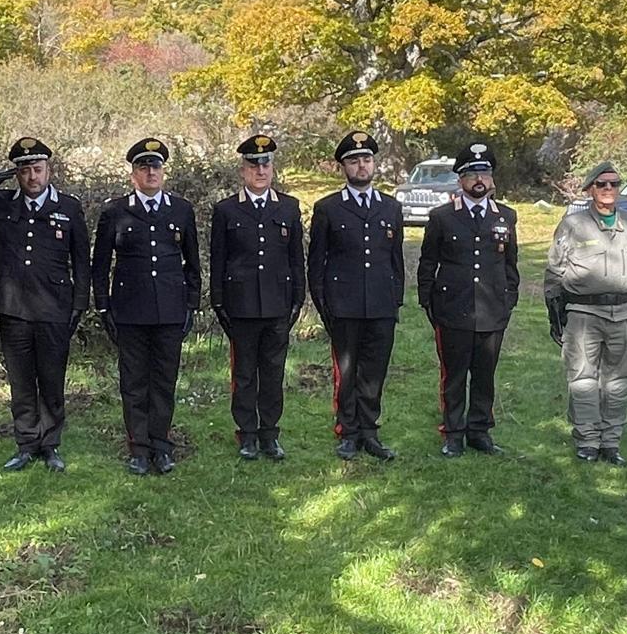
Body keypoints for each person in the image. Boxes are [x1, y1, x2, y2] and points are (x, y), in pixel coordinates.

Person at [0, 138, 90, 472]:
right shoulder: (1, 203)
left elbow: (81, 259)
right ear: (17, 175)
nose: (32, 177)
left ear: (49, 170)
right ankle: (26, 444)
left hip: (55, 306)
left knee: (52, 379)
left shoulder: (68, 207)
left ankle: (50, 444)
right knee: (21, 380)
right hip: (13, 307)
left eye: (38, 169)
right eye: (24, 171)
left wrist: (79, 303)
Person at [92, 138, 201, 476]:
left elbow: (192, 262)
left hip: (169, 309)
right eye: (143, 167)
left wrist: (191, 305)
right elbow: (100, 264)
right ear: (133, 175)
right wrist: (103, 307)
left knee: (164, 380)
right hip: (130, 310)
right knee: (134, 382)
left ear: (163, 172)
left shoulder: (181, 210)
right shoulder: (115, 211)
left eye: (156, 166)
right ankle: (138, 448)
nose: (151, 172)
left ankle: (162, 446)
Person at [417, 141, 519, 457]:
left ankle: (479, 431)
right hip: (453, 309)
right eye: (472, 173)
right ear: (460, 180)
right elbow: (427, 263)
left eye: (485, 173)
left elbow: (511, 265)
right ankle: (452, 432)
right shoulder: (442, 217)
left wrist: (509, 299)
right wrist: (428, 302)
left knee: (485, 374)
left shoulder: (506, 216)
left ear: (492, 179)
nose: (479, 179)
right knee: (454, 375)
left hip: (492, 309)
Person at [308, 129, 404, 461]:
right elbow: (316, 263)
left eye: (366, 159)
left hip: (380, 304)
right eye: (353, 161)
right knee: (346, 371)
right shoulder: (328, 208)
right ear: (343, 168)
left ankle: (370, 431)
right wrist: (325, 305)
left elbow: (395, 261)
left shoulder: (391, 208)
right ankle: (347, 431)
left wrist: (395, 301)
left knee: (375, 370)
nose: (361, 166)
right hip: (343, 305)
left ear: (373, 163)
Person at [209, 134, 304, 460]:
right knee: (245, 374)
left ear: (272, 168)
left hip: (278, 303)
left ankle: (269, 434)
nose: (260, 171)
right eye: (253, 165)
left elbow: (296, 258)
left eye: (265, 164)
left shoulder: (289, 207)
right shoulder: (226, 209)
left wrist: (298, 298)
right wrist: (218, 301)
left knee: (274, 373)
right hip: (241, 305)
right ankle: (247, 434)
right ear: (243, 170)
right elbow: (218, 259)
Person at [545, 161, 627, 465]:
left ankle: (611, 442)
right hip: (583, 313)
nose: (608, 189)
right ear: (590, 189)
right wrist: (555, 314)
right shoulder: (573, 225)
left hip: (625, 314)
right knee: (583, 379)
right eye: (601, 184)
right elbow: (554, 271)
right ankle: (587, 440)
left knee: (619, 381)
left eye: (614, 184)